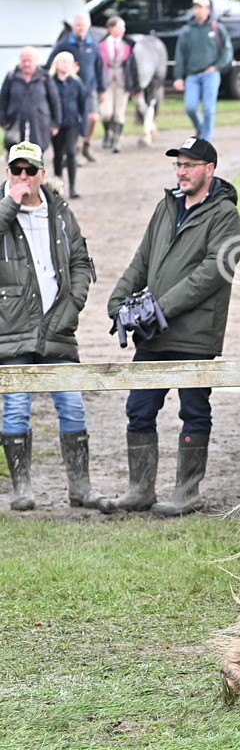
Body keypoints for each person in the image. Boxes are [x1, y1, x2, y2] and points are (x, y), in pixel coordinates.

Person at [101, 137, 240, 517]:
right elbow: (142, 258)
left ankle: (187, 492)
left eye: (189, 165)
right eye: (178, 165)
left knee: (194, 410)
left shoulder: (225, 215)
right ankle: (139, 490)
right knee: (139, 407)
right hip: (155, 333)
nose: (181, 172)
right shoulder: (167, 207)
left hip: (195, 335)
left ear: (209, 169)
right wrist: (117, 300)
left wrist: (160, 307)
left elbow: (211, 273)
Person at [0, 141, 99, 511]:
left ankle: (81, 488)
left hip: (58, 328)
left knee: (72, 406)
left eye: (30, 170)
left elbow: (80, 261)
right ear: (7, 172)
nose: (23, 177)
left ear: (43, 173)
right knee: (15, 408)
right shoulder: (3, 210)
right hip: (12, 330)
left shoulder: (60, 212)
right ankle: (21, 489)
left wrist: (72, 307)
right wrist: (10, 202)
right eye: (16, 170)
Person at [172, 0, 232, 142]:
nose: (198, 11)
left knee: (208, 109)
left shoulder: (217, 28)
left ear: (207, 9)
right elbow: (180, 55)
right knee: (190, 107)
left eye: (201, 7)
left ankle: (206, 139)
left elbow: (227, 50)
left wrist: (217, 67)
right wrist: (178, 76)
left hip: (210, 74)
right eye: (196, 7)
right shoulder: (187, 31)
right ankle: (200, 128)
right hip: (192, 75)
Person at [46, 16, 104, 163]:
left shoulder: (93, 45)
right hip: (71, 88)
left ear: (87, 27)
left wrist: (102, 88)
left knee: (92, 118)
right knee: (74, 119)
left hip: (89, 88)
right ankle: (74, 150)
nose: (80, 28)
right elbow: (51, 62)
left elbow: (99, 67)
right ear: (73, 27)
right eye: (77, 25)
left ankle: (86, 145)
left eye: (83, 26)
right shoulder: (64, 44)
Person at [1, 47, 60, 151]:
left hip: (39, 124)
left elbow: (54, 101)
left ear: (36, 61)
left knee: (36, 157)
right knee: (16, 158)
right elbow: (3, 101)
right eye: (24, 61)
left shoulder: (45, 77)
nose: (27, 64)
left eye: (30, 61)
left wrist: (55, 123)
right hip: (15, 124)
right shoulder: (11, 77)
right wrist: (3, 121)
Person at [49, 52, 87, 199]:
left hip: (72, 124)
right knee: (58, 155)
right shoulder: (50, 82)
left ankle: (72, 187)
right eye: (62, 62)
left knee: (71, 153)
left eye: (68, 62)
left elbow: (83, 106)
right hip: (56, 125)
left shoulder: (76, 83)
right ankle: (58, 186)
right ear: (57, 64)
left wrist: (83, 126)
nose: (65, 65)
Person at [98, 16, 135, 153]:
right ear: (110, 28)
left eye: (123, 27)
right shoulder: (101, 45)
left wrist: (133, 84)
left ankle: (116, 140)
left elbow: (132, 67)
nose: (122, 30)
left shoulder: (127, 45)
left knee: (119, 113)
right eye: (119, 26)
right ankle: (108, 133)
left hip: (121, 82)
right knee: (106, 113)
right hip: (106, 81)